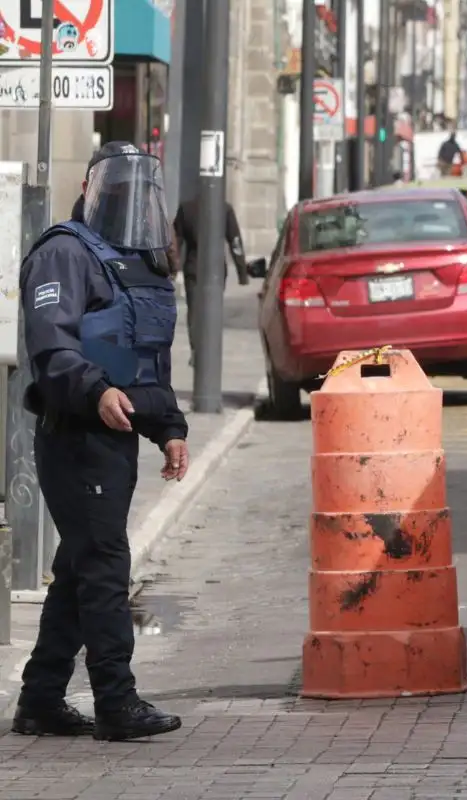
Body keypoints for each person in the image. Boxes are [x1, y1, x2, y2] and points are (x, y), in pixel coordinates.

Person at [11, 141, 187, 741]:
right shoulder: (64, 253)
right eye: (114, 189)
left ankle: (40, 700)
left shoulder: (139, 262)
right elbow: (51, 348)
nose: (124, 202)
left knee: (80, 566)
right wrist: (95, 392)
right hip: (76, 436)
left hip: (116, 441)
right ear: (88, 188)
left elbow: (147, 363)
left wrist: (169, 429)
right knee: (106, 565)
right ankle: (117, 700)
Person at [173, 194, 250, 365]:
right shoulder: (225, 209)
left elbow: (176, 240)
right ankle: (209, 349)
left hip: (193, 267)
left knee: (194, 310)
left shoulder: (186, 208)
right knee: (212, 310)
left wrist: (173, 266)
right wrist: (242, 271)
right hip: (216, 269)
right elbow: (235, 241)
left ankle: (196, 349)